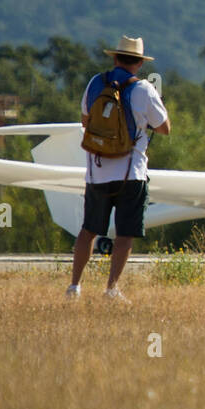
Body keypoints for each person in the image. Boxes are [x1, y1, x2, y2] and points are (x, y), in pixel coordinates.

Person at [68, 35, 170, 302]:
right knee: (125, 233)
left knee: (88, 230)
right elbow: (164, 128)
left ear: (115, 57)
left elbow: (84, 120)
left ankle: (74, 287)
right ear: (139, 63)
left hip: (97, 171)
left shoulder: (94, 83)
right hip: (131, 173)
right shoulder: (144, 89)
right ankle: (111, 289)